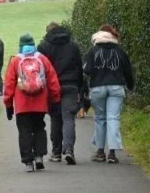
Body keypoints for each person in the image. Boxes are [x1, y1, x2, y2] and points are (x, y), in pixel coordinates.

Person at [4, 33, 62, 172]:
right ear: (33, 44)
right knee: (39, 128)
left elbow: (9, 84)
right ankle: (39, 156)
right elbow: (53, 81)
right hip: (40, 103)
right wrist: (55, 100)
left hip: (22, 104)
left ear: (20, 45)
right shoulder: (42, 59)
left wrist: (8, 105)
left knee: (24, 131)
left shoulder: (15, 61)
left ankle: (28, 162)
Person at [83, 24, 136, 164]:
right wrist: (130, 85)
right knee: (113, 118)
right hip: (116, 87)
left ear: (98, 35)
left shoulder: (93, 50)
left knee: (100, 119)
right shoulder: (120, 51)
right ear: (113, 35)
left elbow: (87, 70)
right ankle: (112, 153)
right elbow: (128, 71)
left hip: (98, 88)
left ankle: (100, 152)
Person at [38, 22, 84, 164]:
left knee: (55, 119)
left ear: (48, 32)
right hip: (71, 85)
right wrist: (80, 88)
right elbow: (79, 68)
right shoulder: (73, 46)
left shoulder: (44, 46)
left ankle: (56, 153)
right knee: (69, 118)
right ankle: (69, 150)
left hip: (53, 87)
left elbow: (40, 68)